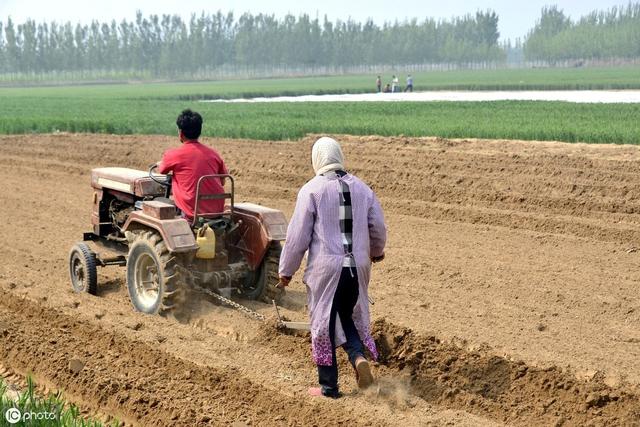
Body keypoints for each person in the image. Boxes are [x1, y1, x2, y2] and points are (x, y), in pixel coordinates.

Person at [278, 136, 387, 398]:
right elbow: (378, 227)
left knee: (323, 326)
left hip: (326, 271)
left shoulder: (311, 190)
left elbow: (297, 237)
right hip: (357, 268)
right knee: (346, 315)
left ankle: (329, 388)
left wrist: (286, 271)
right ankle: (358, 357)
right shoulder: (363, 189)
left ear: (317, 160)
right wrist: (376, 252)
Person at [158, 109, 228, 222]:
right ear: (199, 131)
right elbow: (223, 181)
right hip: (217, 210)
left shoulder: (173, 154)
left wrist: (159, 164)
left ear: (180, 133)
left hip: (191, 211)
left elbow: (162, 170)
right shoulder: (213, 154)